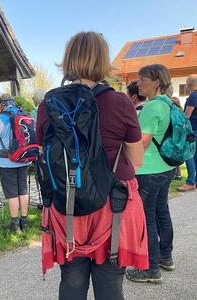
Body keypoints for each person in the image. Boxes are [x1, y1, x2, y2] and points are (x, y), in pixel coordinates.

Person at [36, 32, 148, 300]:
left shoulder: (48, 104)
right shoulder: (120, 102)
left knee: (72, 281)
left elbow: (45, 156)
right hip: (112, 205)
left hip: (68, 205)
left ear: (68, 60)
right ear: (102, 60)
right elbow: (136, 160)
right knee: (110, 284)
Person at [126, 64, 176, 284]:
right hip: (166, 166)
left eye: (142, 78)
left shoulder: (152, 107)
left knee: (147, 218)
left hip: (148, 170)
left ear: (156, 82)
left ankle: (151, 269)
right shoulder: (169, 104)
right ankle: (166, 257)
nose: (138, 83)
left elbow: (141, 144)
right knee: (161, 211)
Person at [0, 94, 30, 233]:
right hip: (23, 159)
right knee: (23, 190)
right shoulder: (23, 115)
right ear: (13, 103)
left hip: (7, 161)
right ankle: (25, 221)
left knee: (12, 192)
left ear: (1, 104)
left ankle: (15, 224)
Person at [177, 74, 197, 192]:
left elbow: (187, 115)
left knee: (188, 155)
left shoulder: (193, 96)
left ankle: (190, 182)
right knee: (195, 156)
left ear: (190, 83)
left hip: (192, 131)